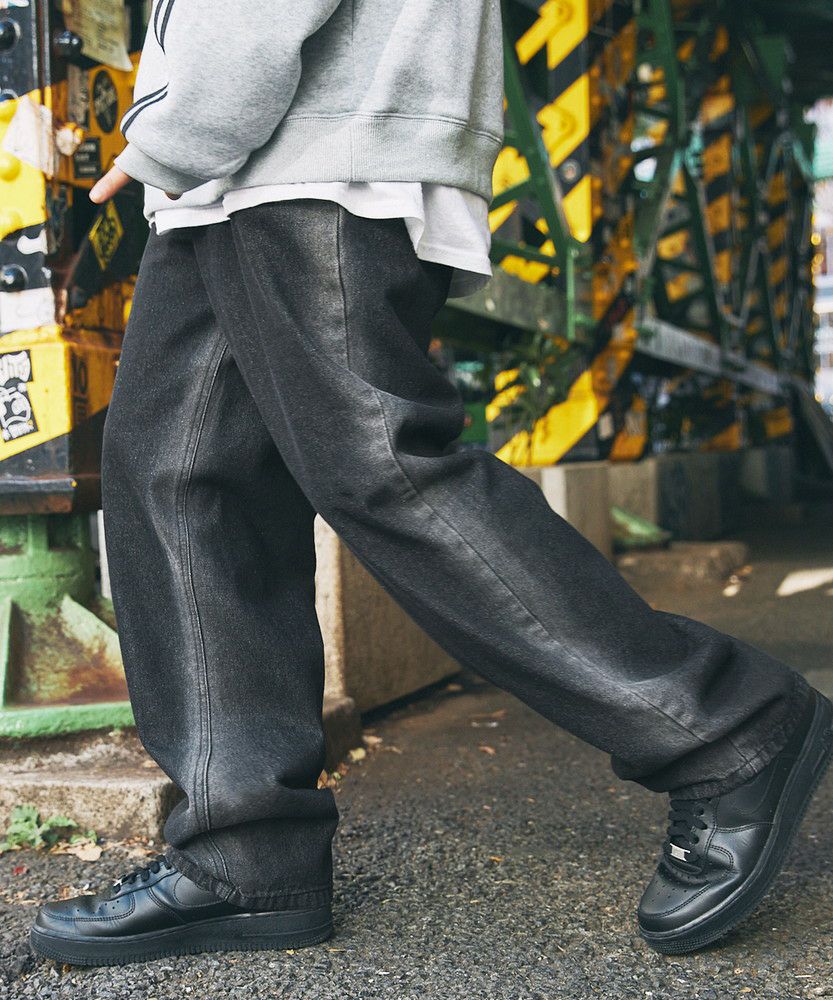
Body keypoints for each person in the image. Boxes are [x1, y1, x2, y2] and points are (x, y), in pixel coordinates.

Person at [29, 0, 832, 967]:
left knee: (381, 464)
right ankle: (243, 856)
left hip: (314, 138)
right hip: (232, 169)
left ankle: (724, 727)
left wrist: (182, 122)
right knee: (177, 480)